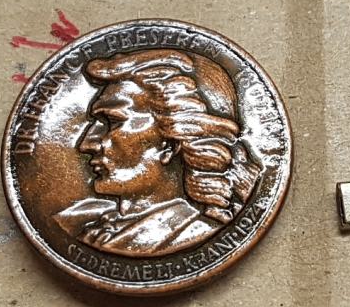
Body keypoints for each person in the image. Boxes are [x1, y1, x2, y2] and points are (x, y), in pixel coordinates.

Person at [54, 49, 262, 258]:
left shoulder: (194, 232)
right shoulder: (89, 227)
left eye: (112, 121)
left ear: (169, 144)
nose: (86, 144)